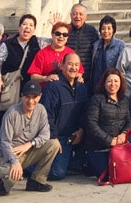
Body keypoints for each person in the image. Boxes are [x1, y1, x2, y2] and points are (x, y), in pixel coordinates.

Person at [0, 79, 60, 195]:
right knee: (8, 174)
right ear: (21, 96)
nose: (31, 101)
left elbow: (45, 134)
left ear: (40, 97)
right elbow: (4, 142)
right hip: (9, 154)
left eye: (34, 97)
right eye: (27, 97)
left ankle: (36, 180)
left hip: (29, 150)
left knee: (54, 144)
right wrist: (14, 161)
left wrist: (30, 144)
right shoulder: (12, 113)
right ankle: (4, 184)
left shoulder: (41, 110)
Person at [0, 14, 50, 129]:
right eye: (24, 24)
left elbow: (57, 41)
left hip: (30, 87)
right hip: (10, 86)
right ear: (19, 27)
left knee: (27, 117)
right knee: (7, 116)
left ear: (34, 29)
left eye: (31, 25)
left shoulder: (38, 42)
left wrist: (54, 26)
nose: (27, 27)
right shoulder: (8, 44)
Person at [40, 52, 90, 180]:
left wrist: (81, 130)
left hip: (75, 135)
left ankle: (68, 163)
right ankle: (26, 163)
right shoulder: (53, 87)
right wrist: (54, 137)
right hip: (58, 136)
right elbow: (46, 115)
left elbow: (84, 112)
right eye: (70, 64)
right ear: (61, 66)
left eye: (76, 65)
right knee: (57, 173)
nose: (73, 68)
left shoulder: (81, 87)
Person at [84, 68, 131, 179]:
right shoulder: (97, 99)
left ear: (121, 83)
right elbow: (91, 124)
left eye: (116, 81)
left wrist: (123, 134)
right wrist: (109, 140)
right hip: (100, 145)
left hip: (119, 143)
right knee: (109, 175)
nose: (113, 84)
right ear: (104, 83)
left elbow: (129, 122)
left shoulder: (125, 100)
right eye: (109, 81)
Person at [27, 21, 84, 86]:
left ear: (67, 37)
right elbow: (33, 76)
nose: (61, 37)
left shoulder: (71, 54)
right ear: (52, 34)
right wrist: (45, 78)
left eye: (65, 35)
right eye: (58, 34)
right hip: (47, 91)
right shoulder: (42, 53)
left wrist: (77, 77)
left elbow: (79, 72)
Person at [89, 15, 125, 93]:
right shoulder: (96, 45)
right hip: (97, 81)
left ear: (113, 30)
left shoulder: (119, 45)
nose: (106, 31)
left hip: (112, 82)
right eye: (103, 29)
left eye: (109, 28)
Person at [66, 3, 99, 69]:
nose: (78, 17)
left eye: (81, 14)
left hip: (87, 73)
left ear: (85, 16)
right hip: (68, 72)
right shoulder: (65, 30)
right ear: (70, 15)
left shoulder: (92, 31)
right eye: (75, 14)